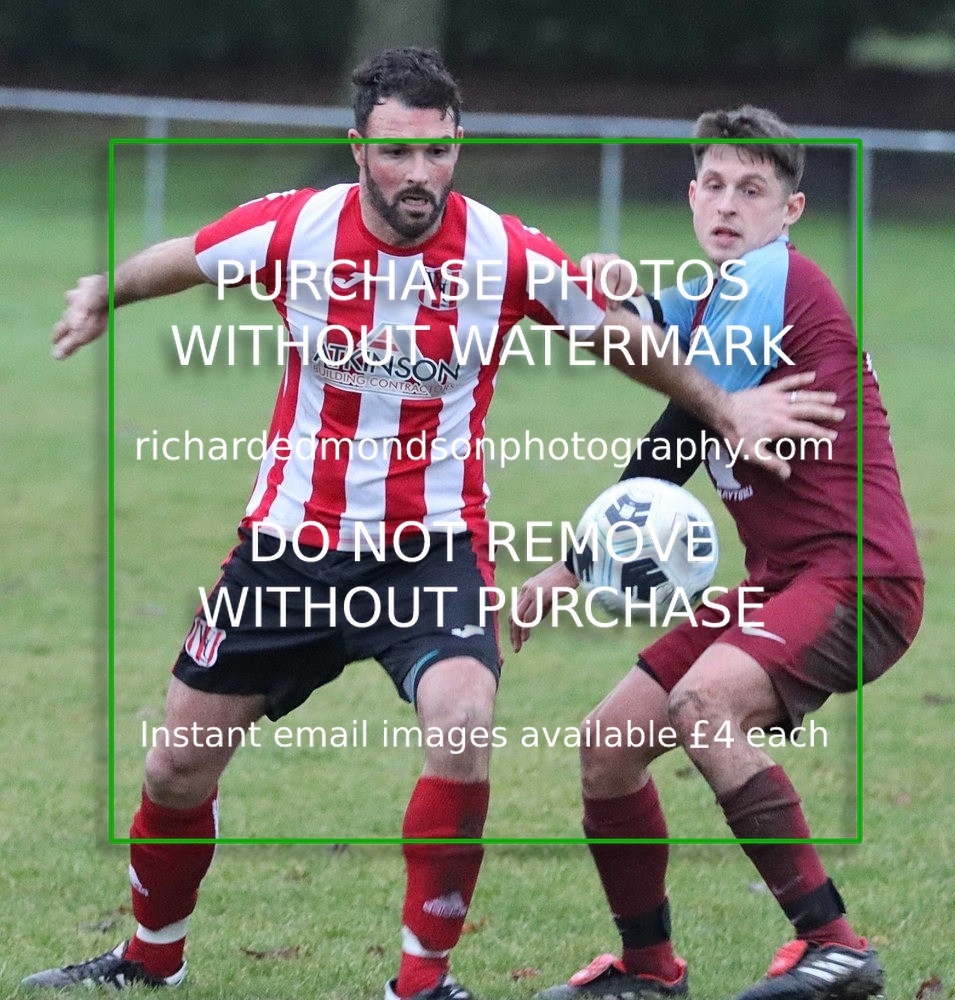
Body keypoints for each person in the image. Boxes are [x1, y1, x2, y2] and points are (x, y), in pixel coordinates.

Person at [25, 59, 839, 999]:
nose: (420, 170)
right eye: (399, 149)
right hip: (289, 545)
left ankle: (421, 983)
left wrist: (719, 407)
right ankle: (147, 959)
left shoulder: (501, 250)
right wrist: (103, 293)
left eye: (439, 149)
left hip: (431, 550)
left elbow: (614, 331)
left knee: (462, 721)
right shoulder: (299, 227)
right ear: (360, 148)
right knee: (176, 765)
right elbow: (187, 256)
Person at [513, 106, 924, 1000]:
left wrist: (615, 311)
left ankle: (834, 944)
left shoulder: (781, 281)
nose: (728, 204)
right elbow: (659, 381)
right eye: (712, 184)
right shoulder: (711, 300)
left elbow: (671, 406)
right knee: (608, 743)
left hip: (860, 578)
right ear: (690, 196)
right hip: (780, 582)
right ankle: (647, 969)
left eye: (752, 189)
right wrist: (610, 288)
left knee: (704, 704)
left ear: (791, 210)